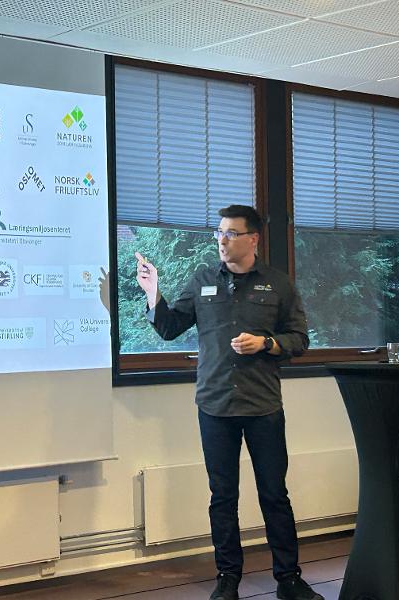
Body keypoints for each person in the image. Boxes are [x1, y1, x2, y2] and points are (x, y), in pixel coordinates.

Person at [135, 205, 322, 600]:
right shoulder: (203, 280)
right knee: (223, 497)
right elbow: (169, 328)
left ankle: (288, 579)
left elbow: (299, 340)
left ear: (253, 239)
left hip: (263, 407)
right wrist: (153, 293)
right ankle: (228, 579)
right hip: (215, 406)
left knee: (274, 494)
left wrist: (266, 343)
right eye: (219, 232)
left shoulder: (278, 284)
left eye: (231, 233)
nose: (222, 240)